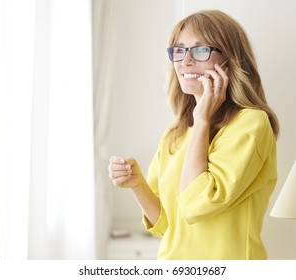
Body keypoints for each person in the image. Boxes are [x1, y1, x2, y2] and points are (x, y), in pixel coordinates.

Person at [108, 10, 279, 260]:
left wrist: (202, 119)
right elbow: (167, 226)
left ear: (229, 60)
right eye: (179, 50)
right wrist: (138, 185)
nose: (185, 61)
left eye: (200, 50)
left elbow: (197, 204)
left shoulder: (251, 123)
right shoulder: (174, 134)